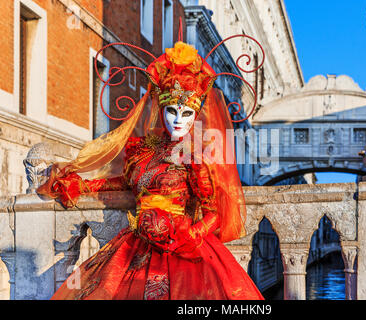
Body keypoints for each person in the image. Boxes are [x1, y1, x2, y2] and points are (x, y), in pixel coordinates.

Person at [37, 40, 264, 300]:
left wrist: (188, 235)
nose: (179, 120)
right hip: (135, 244)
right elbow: (123, 182)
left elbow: (213, 213)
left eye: (187, 113)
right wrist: (80, 185)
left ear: (196, 115)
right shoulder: (144, 150)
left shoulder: (196, 156)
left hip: (182, 249)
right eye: (172, 111)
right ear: (160, 109)